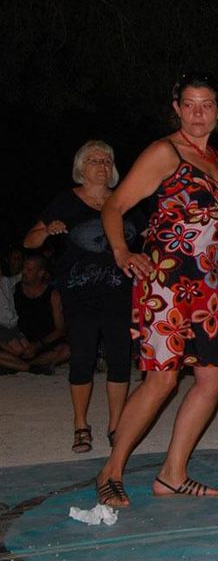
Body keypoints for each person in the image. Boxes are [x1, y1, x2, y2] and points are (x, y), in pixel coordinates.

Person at [94, 72, 218, 507]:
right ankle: (111, 470)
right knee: (162, 379)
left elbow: (212, 215)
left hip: (209, 284)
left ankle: (172, 474)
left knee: (217, 376)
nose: (197, 113)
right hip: (168, 278)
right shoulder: (165, 152)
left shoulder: (216, 158)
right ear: (177, 109)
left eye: (206, 104)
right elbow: (115, 206)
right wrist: (122, 252)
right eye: (189, 104)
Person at [23, 140, 139, 453]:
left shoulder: (124, 200)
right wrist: (47, 230)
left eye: (106, 161)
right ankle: (80, 425)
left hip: (119, 291)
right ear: (81, 168)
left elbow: (146, 236)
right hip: (80, 294)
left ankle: (116, 426)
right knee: (82, 358)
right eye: (94, 160)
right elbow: (30, 241)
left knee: (119, 358)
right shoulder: (66, 201)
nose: (102, 166)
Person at [0, 253, 70, 375]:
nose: (23, 272)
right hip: (17, 342)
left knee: (67, 350)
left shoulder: (53, 295)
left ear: (41, 273)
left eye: (29, 270)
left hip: (41, 343)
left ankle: (16, 365)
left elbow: (60, 329)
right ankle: (31, 367)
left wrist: (37, 346)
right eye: (23, 268)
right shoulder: (13, 289)